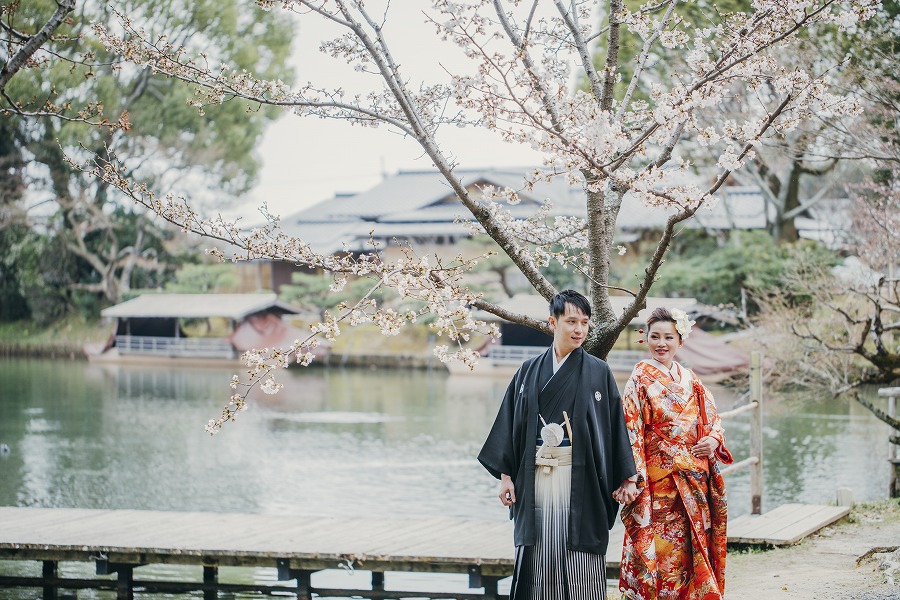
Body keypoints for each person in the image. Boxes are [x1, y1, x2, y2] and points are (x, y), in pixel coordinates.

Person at [478, 290, 638, 600]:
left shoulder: (598, 371)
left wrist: (627, 476)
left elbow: (614, 426)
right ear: (553, 322)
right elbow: (509, 427)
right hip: (534, 476)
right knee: (537, 554)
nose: (580, 329)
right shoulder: (528, 371)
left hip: (581, 479)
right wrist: (506, 477)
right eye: (572, 321)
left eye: (585, 323)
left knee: (580, 558)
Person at [617, 307, 734, 600]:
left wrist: (712, 440)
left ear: (680, 341)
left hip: (694, 477)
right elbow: (630, 427)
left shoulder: (691, 379)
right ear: (645, 338)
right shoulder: (640, 378)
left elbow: (712, 419)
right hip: (657, 482)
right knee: (662, 549)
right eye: (655, 336)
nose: (661, 343)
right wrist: (631, 477)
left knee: (692, 547)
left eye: (669, 337)